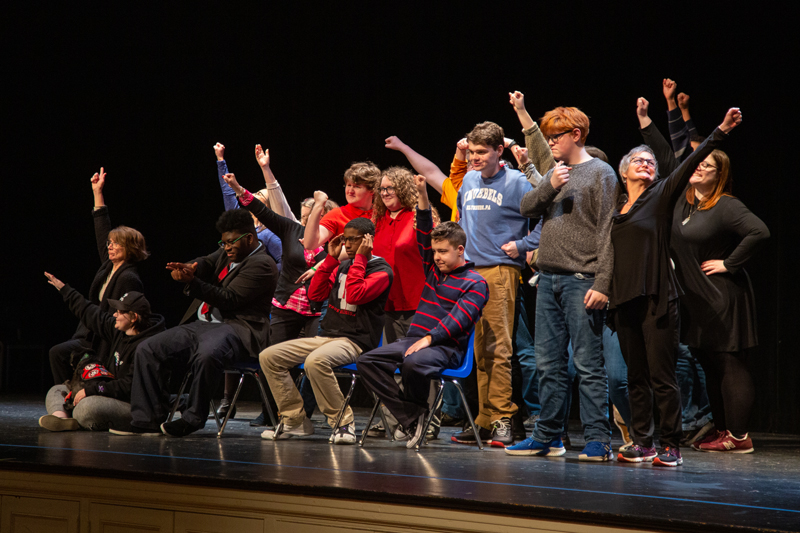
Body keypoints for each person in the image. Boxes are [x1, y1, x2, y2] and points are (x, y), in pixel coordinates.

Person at [611, 101, 742, 467]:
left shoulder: (661, 196)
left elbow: (687, 163)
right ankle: (643, 442)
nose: (647, 164)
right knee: (634, 377)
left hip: (657, 296)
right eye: (638, 161)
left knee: (661, 376)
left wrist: (721, 131)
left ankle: (670, 444)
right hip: (625, 299)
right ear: (624, 174)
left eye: (650, 162)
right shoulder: (618, 210)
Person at [110, 209, 278, 437]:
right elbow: (208, 261)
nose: (226, 247)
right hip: (204, 325)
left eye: (231, 242)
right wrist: (191, 266)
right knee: (148, 348)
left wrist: (193, 282)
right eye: (223, 242)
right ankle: (147, 420)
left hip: (237, 328)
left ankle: (193, 418)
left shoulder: (263, 264)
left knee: (208, 354)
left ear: (249, 238)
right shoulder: (227, 253)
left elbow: (230, 299)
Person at [512, 105, 617, 461]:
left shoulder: (601, 173)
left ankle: (597, 440)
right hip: (548, 279)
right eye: (549, 136)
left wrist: (603, 282)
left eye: (556, 136)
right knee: (548, 363)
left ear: (576, 135)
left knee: (588, 365)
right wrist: (550, 185)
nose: (550, 142)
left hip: (582, 280)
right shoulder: (556, 172)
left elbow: (607, 231)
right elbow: (527, 207)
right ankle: (548, 436)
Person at [358, 174, 489, 448]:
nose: (437, 257)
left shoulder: (476, 283)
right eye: (435, 252)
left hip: (445, 347)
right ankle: (413, 415)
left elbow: (458, 321)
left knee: (413, 363)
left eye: (443, 252)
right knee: (367, 362)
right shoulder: (433, 268)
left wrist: (427, 339)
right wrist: (422, 195)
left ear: (460, 250)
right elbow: (424, 229)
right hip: (413, 341)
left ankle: (414, 416)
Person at [671, 143, 767, 454]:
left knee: (729, 363)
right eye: (696, 162)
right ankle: (723, 429)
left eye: (706, 165)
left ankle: (739, 437)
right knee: (710, 364)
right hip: (697, 300)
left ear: (720, 174)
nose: (697, 167)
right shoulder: (685, 204)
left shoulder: (725, 205)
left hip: (722, 296)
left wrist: (729, 263)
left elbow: (759, 231)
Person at [259, 218, 393, 444]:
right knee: (269, 357)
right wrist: (330, 259)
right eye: (345, 239)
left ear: (369, 241)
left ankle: (344, 423)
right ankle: (295, 420)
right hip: (327, 337)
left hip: (355, 341)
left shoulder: (382, 270)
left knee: (315, 362)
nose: (348, 245)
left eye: (354, 240)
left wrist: (360, 258)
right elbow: (315, 295)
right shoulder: (341, 265)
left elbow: (355, 295)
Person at [448, 121, 539, 448]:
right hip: (470, 272)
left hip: (500, 270)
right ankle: (485, 421)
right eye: (471, 151)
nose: (474, 157)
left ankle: (503, 419)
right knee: (480, 348)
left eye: (481, 152)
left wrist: (527, 244)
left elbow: (548, 212)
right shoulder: (470, 178)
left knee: (499, 347)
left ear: (499, 151)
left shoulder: (516, 182)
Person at [222, 172, 335, 424]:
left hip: (319, 308)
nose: (305, 223)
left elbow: (343, 263)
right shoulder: (290, 229)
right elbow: (263, 212)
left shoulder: (333, 243)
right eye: (303, 217)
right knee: (273, 358)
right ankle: (272, 412)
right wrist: (238, 188)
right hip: (286, 305)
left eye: (312, 218)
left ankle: (301, 414)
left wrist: (319, 267)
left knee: (314, 363)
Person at [49, 168, 147, 386]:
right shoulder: (109, 266)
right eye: (110, 243)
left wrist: (68, 292)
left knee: (58, 353)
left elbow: (113, 324)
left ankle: (71, 399)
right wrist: (97, 193)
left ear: (129, 248)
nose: (110, 246)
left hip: (102, 341)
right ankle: (66, 398)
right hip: (89, 333)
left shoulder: (129, 278)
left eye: (116, 244)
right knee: (58, 354)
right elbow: (102, 229)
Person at [40, 277, 165, 432]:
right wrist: (65, 290)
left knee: (87, 407)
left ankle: (78, 416)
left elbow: (129, 386)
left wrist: (91, 390)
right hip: (113, 397)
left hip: (137, 407)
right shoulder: (120, 331)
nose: (115, 315)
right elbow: (91, 313)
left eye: (120, 312)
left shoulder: (148, 346)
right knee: (57, 390)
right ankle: (62, 419)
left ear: (133, 317)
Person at [372, 166, 424, 343]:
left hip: (415, 303)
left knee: (414, 361)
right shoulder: (377, 222)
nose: (385, 193)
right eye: (382, 189)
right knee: (390, 362)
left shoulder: (417, 217)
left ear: (403, 188)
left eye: (390, 188)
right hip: (386, 303)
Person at [214, 142, 283, 270]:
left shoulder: (269, 234)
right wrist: (220, 160)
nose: (255, 194)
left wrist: (263, 273)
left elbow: (284, 262)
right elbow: (228, 193)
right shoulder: (241, 223)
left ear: (267, 206)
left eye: (260, 195)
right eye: (256, 192)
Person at [302, 162, 380, 251]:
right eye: (348, 185)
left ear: (372, 190)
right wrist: (318, 205)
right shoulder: (337, 214)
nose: (350, 191)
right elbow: (310, 244)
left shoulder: (382, 214)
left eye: (357, 187)